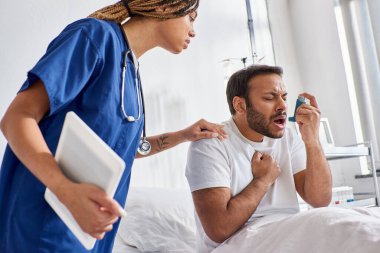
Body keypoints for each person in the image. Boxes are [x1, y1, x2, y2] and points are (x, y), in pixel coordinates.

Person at [0, 1, 227, 252]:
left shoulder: (131, 70)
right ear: (163, 7)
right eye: (191, 18)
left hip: (89, 234)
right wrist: (66, 190)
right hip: (43, 224)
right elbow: (17, 117)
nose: (193, 31)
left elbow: (123, 150)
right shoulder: (94, 36)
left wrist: (183, 135)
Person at [185, 64, 333, 252]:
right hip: (238, 243)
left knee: (344, 226)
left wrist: (312, 140)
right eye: (270, 98)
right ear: (240, 105)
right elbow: (219, 229)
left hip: (289, 233)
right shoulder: (211, 143)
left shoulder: (288, 136)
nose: (282, 106)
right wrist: (263, 180)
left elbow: (320, 200)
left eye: (284, 97)